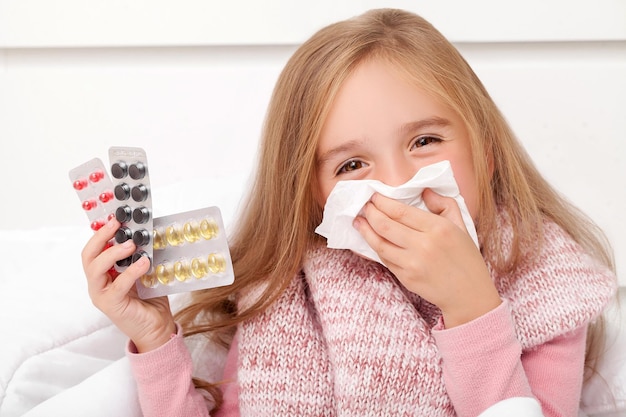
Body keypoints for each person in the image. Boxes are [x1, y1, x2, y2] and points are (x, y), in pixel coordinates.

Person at [81, 8, 617, 417]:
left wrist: (472, 308)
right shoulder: (284, 294)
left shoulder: (544, 277)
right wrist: (154, 338)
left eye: (425, 140)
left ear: (486, 150)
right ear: (314, 194)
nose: (396, 181)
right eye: (353, 164)